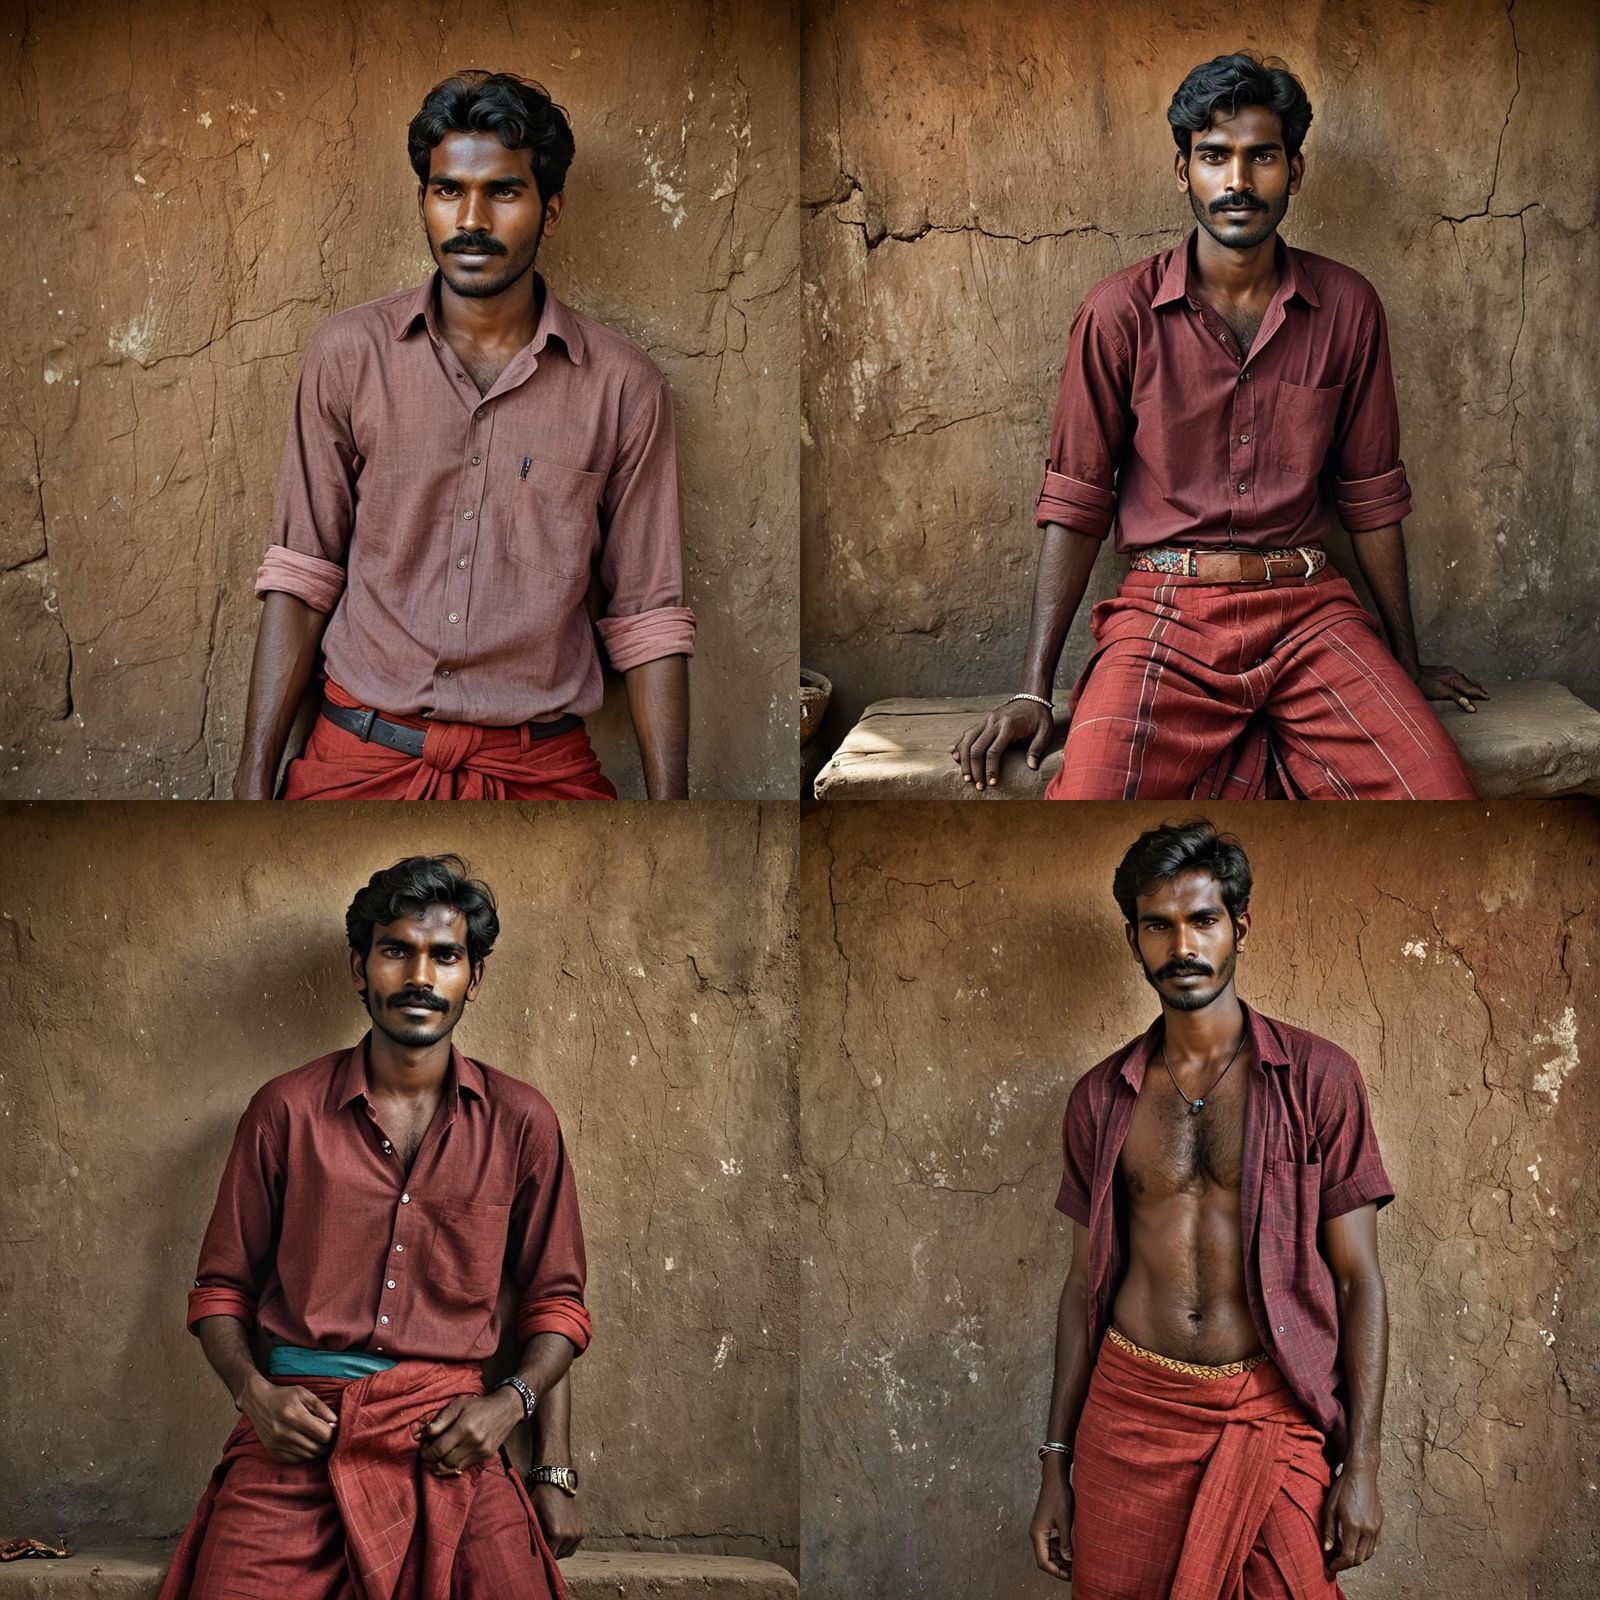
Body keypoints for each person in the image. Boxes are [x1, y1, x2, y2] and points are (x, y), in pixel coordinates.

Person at [954, 52, 1483, 799]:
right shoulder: (1118, 315)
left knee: (1436, 791)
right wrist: (1035, 691)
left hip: (1310, 613)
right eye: (1214, 157)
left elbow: (1370, 495)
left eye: (1261, 156)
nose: (1237, 181)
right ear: (1184, 172)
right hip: (1162, 616)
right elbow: (1076, 501)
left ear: (1293, 171)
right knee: (1091, 798)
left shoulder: (1349, 308)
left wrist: (1404, 658)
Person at [234, 72, 694, 801]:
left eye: (504, 192)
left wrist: (676, 816)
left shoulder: (621, 385)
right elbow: (301, 573)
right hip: (359, 757)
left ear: (551, 210)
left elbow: (649, 617)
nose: (470, 217)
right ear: (425, 200)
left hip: (538, 769)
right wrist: (251, 786)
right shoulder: (350, 354)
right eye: (448, 190)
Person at [161, 856, 591, 1598]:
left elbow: (555, 1302)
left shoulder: (523, 1123)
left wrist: (512, 1418)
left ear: (473, 978)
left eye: (445, 955)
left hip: (452, 1441)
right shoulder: (285, 1113)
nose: (420, 974)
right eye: (396, 950)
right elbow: (220, 1290)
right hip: (299, 1439)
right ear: (360, 968)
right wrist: (254, 1396)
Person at [1030, 821, 1390, 1596]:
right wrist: (1054, 1464)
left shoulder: (1319, 1079)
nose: (1181, 945)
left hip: (1267, 1410)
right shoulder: (1101, 1098)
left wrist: (1361, 1464)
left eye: (1202, 920)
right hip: (1130, 1415)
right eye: (1158, 925)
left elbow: (1360, 1280)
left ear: (1239, 928)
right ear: (1134, 940)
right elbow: (1079, 1288)